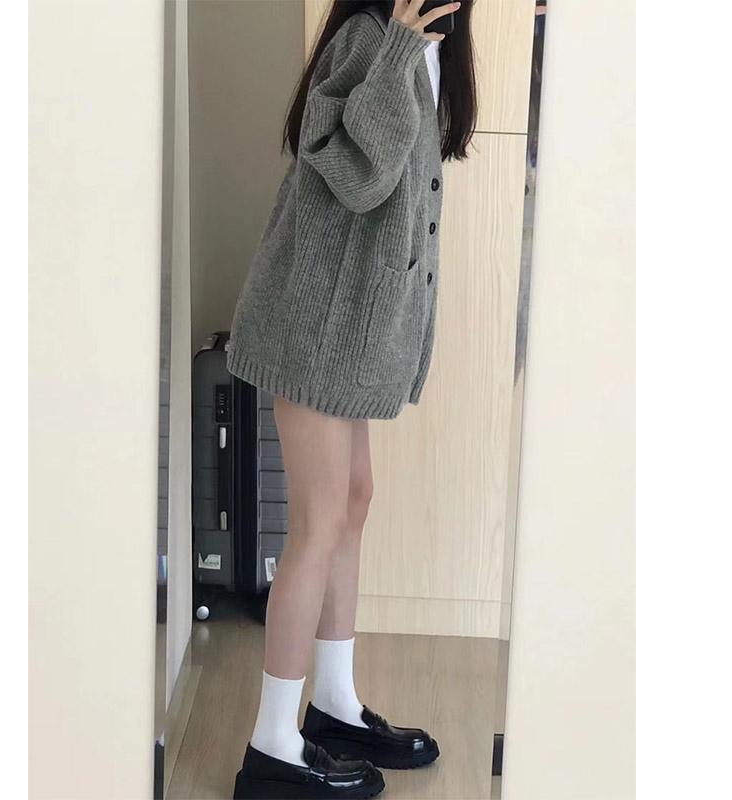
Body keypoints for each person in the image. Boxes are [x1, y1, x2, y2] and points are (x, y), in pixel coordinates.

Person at [229, 1, 477, 797]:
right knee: (320, 522)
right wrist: (397, 50)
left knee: (353, 499)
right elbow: (358, 178)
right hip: (312, 328)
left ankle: (333, 704)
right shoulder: (369, 39)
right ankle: (272, 746)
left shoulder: (428, 47)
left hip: (350, 335)